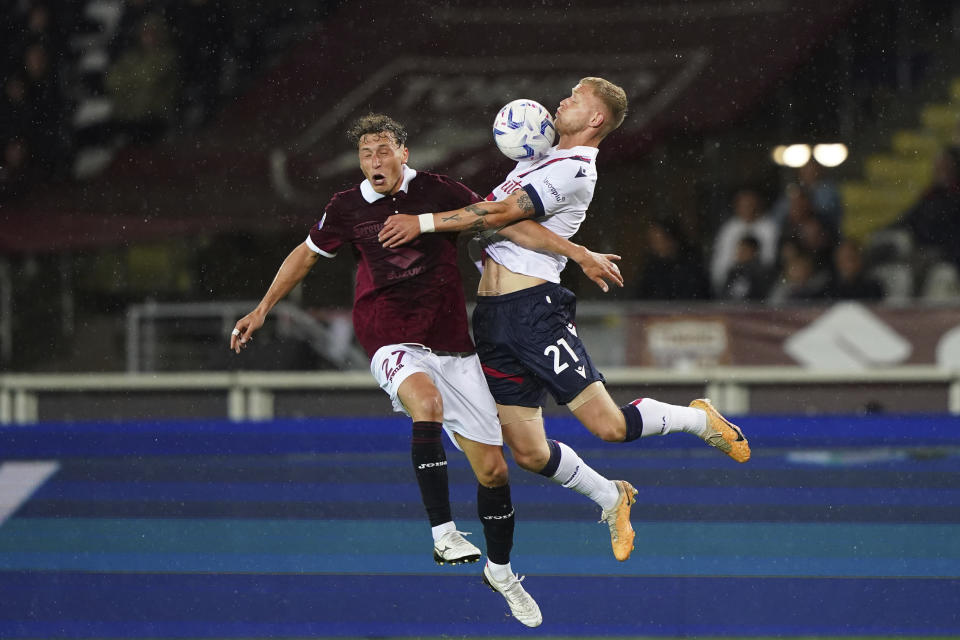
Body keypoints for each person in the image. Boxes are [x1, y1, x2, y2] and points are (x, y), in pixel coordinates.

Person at [230, 114, 620, 627]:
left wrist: (577, 251)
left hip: (454, 345)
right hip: (390, 337)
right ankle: (443, 532)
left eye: (383, 150)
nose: (375, 161)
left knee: (495, 469)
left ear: (403, 153)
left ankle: (501, 572)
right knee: (426, 405)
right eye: (366, 153)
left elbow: (505, 220)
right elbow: (305, 256)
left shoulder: (440, 191)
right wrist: (262, 309)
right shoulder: (345, 208)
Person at [379, 77, 751, 562]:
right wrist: (575, 250)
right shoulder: (535, 155)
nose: (562, 101)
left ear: (596, 119)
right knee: (529, 454)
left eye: (575, 99)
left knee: (609, 428)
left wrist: (424, 223)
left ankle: (694, 418)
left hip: (536, 315)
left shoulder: (576, 169)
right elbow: (516, 225)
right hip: (491, 320)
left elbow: (501, 213)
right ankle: (611, 496)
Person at [709, 187, 779, 296]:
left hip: (759, 283)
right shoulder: (729, 228)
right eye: (743, 205)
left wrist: (749, 264)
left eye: (751, 205)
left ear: (758, 205)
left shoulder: (769, 227)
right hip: (731, 282)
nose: (748, 208)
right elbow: (721, 262)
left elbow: (769, 261)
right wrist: (721, 285)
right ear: (736, 206)